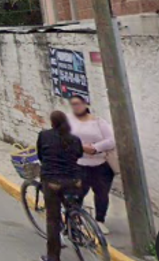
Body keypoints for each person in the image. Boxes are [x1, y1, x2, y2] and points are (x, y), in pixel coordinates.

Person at [37, 110, 83, 261]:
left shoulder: (44, 136)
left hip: (53, 182)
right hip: (74, 180)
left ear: (52, 122)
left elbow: (41, 155)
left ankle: (53, 256)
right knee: (72, 206)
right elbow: (79, 155)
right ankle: (76, 228)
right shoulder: (74, 139)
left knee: (53, 219)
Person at [68, 95, 116, 234]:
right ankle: (75, 218)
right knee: (77, 193)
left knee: (102, 194)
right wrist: (82, 147)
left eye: (79, 103)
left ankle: (100, 220)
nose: (76, 107)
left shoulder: (99, 122)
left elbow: (111, 141)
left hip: (100, 165)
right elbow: (64, 140)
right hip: (79, 164)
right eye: (73, 104)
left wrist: (95, 148)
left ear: (85, 105)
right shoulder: (69, 122)